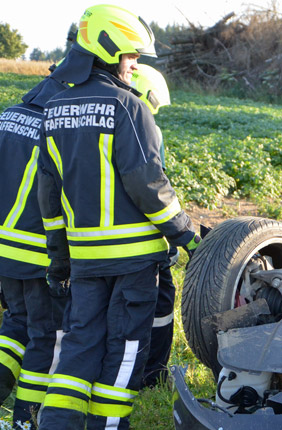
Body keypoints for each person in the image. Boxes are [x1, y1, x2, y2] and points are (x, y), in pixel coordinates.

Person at [36, 4, 200, 430]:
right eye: (130, 56)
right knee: (126, 347)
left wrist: (59, 257)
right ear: (107, 52)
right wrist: (184, 233)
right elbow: (146, 179)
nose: (134, 65)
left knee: (81, 343)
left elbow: (50, 195)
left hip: (85, 259)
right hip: (133, 260)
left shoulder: (55, 108)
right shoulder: (126, 106)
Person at [0, 75, 69, 430]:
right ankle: (26, 426)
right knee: (45, 334)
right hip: (33, 246)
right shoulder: (57, 126)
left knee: (16, 325)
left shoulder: (8, 117)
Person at [129, 64, 177, 387]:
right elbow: (155, 186)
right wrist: (175, 235)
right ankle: (152, 374)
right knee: (161, 299)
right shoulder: (146, 127)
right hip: (142, 239)